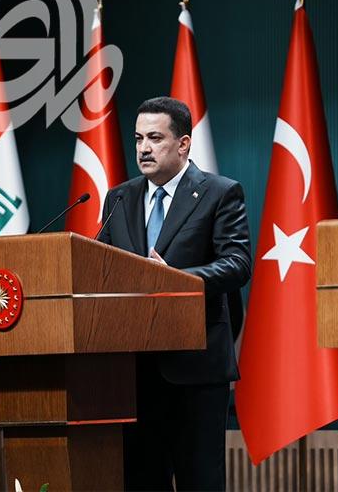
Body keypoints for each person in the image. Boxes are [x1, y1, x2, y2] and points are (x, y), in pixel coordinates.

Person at [97, 96, 251, 491]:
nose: (143, 149)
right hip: (133, 372)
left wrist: (176, 279)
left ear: (183, 144)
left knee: (200, 481)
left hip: (195, 369)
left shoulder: (220, 193)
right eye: (138, 139)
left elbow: (237, 264)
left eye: (155, 138)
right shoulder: (119, 198)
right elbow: (98, 265)